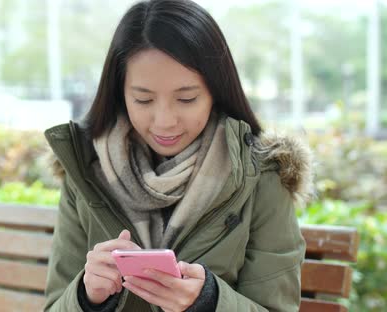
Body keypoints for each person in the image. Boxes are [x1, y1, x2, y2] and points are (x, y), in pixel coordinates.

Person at [43, 0, 312, 311]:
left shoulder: (261, 177)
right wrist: (86, 297)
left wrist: (209, 302)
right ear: (120, 93)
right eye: (143, 100)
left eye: (187, 98)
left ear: (216, 91)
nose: (165, 121)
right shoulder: (86, 171)